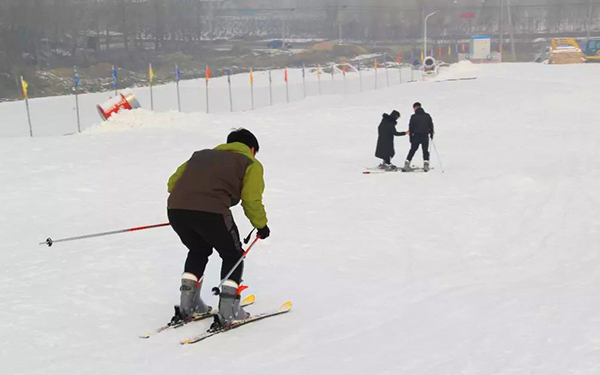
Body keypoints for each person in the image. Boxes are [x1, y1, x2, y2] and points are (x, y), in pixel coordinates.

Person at [166, 128, 270, 326]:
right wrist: (261, 225)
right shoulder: (250, 162)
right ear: (252, 148)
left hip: (176, 210)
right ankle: (228, 310)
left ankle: (188, 305)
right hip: (213, 211)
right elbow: (251, 199)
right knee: (233, 254)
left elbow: (172, 184)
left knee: (198, 249)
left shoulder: (200, 156)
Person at [403, 103, 434, 172]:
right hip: (425, 136)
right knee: (425, 151)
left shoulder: (413, 116)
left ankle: (406, 165)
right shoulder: (427, 116)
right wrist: (431, 134)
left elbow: (411, 127)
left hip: (416, 136)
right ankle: (426, 165)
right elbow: (431, 125)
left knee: (412, 150)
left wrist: (410, 138)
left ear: (415, 108)